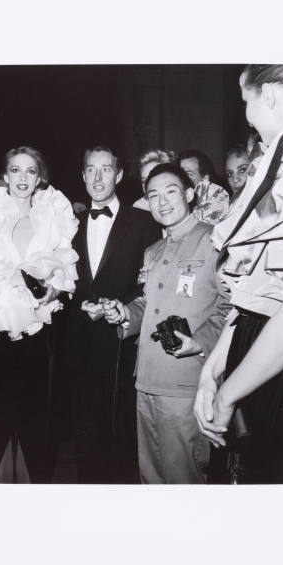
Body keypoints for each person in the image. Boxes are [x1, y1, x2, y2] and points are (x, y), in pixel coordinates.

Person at [103, 163, 231, 484]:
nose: (162, 202)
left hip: (187, 384)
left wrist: (199, 341)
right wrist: (125, 314)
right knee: (151, 479)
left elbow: (231, 307)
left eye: (170, 192)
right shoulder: (153, 251)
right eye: (153, 195)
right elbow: (147, 303)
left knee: (183, 479)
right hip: (145, 380)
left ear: (188, 194)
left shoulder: (213, 242)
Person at [193, 64, 283, 484]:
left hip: (277, 366)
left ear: (267, 94)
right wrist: (213, 369)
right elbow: (260, 293)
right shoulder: (282, 165)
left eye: (244, 100)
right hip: (254, 348)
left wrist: (231, 392)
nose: (246, 114)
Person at [0, 146, 79, 483]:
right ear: (5, 175)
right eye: (16, 170)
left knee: (34, 421)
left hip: (37, 334)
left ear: (39, 177)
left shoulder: (51, 212)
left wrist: (55, 289)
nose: (23, 178)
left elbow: (66, 266)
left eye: (31, 171)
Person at [64, 145, 160, 483]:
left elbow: (154, 282)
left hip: (124, 342)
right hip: (80, 342)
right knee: (85, 434)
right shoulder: (67, 224)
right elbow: (61, 282)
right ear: (83, 175)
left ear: (119, 175)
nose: (98, 176)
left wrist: (119, 307)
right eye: (91, 169)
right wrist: (81, 305)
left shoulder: (144, 222)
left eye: (106, 169)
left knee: (123, 435)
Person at [178, 149, 229, 224]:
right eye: (180, 174)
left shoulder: (217, 196)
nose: (182, 179)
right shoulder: (180, 195)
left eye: (188, 174)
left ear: (205, 179)